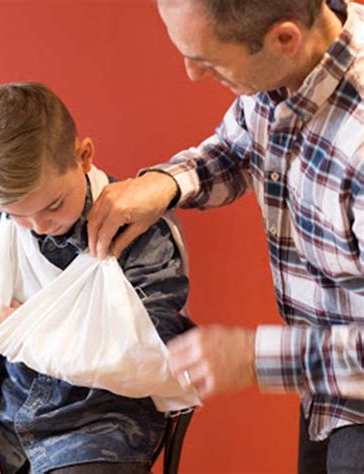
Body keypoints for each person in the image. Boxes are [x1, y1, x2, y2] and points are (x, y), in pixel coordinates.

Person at [87, 0, 364, 472]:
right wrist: (168, 182)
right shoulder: (290, 61)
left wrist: (251, 357)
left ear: (283, 38)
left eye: (210, 62)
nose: (192, 74)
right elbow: (244, 143)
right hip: (324, 388)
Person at [0, 82, 194, 474]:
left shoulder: (139, 231)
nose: (37, 227)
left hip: (102, 426)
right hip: (7, 417)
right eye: (17, 213)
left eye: (52, 205)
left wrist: (29, 336)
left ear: (83, 156)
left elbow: (150, 357)